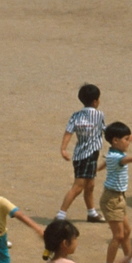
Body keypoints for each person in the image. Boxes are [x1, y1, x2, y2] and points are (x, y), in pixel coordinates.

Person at [57, 84, 106, 223]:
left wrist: (63, 148)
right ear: (95, 101)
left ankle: (92, 213)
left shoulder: (76, 115)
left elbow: (68, 132)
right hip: (89, 155)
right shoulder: (99, 115)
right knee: (78, 186)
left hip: (80, 155)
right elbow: (105, 130)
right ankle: (61, 214)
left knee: (90, 185)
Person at [99, 122, 132, 263]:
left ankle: (129, 262)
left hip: (119, 197)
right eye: (126, 139)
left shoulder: (113, 154)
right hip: (112, 200)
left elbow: (107, 163)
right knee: (118, 235)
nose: (128, 141)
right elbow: (121, 161)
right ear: (115, 140)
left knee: (127, 231)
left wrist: (96, 169)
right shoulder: (115, 156)